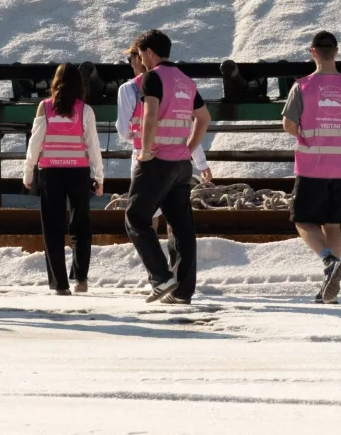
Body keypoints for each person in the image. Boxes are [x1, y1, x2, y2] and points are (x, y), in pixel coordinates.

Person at [282, 30, 341, 303]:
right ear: (336, 52)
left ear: (313, 53)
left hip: (312, 166)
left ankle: (328, 261)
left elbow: (288, 125)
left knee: (302, 221)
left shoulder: (303, 86)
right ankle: (330, 289)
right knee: (332, 225)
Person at [122, 29, 211, 306]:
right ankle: (182, 291)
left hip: (157, 161)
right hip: (181, 165)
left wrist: (146, 151)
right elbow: (204, 118)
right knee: (182, 228)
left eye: (141, 55)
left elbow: (150, 113)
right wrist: (188, 148)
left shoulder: (153, 77)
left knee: (136, 218)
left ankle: (161, 278)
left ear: (149, 52)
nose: (141, 60)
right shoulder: (185, 81)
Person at [23, 63, 103, 295]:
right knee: (81, 225)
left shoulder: (45, 108)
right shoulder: (85, 110)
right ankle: (80, 278)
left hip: (50, 173)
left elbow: (34, 143)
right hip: (78, 172)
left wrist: (29, 172)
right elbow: (93, 145)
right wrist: (99, 176)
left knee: (53, 227)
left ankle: (59, 284)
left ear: (55, 82)